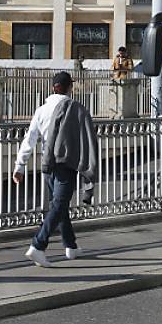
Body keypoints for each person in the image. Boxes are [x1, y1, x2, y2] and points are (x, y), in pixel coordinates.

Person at [16, 72, 98, 267]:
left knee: (59, 205)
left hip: (47, 164)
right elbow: (87, 137)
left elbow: (30, 138)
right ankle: (38, 245)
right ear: (67, 87)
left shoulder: (41, 110)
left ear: (54, 87)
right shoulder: (76, 108)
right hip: (65, 164)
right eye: (71, 86)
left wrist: (20, 165)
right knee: (59, 206)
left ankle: (70, 245)